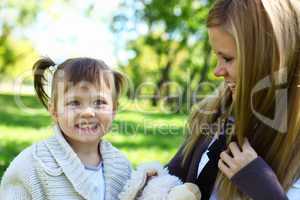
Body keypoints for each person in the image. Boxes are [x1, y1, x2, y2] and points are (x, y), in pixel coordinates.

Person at [167, 0, 300, 199]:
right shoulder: (214, 115)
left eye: (227, 59)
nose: (217, 71)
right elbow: (172, 177)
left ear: (267, 59)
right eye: (217, 57)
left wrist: (266, 190)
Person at [0, 57, 132, 199]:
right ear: (54, 111)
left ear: (114, 110)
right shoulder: (31, 165)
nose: (87, 112)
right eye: (74, 102)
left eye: (99, 102)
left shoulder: (122, 168)